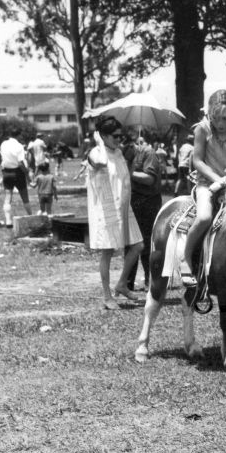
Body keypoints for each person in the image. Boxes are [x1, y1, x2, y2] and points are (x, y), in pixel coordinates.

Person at [182, 89, 226, 286]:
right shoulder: (202, 129)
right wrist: (218, 179)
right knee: (204, 217)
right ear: (210, 114)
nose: (221, 124)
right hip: (207, 185)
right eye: (217, 118)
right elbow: (197, 161)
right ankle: (184, 257)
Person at [85, 117, 145, 309]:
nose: (119, 139)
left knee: (138, 245)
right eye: (115, 136)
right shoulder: (95, 153)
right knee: (108, 252)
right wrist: (100, 144)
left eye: (121, 136)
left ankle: (122, 283)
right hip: (106, 210)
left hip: (124, 207)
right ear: (103, 136)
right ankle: (106, 296)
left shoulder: (118, 152)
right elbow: (101, 162)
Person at [123, 134, 163, 292]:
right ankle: (127, 284)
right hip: (131, 200)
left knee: (146, 243)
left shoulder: (148, 153)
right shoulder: (122, 156)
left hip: (148, 202)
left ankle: (149, 281)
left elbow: (149, 179)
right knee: (130, 243)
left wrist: (129, 173)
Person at [0, 132, 33, 225]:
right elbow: (20, 163)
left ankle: (8, 221)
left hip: (6, 172)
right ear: (18, 136)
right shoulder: (19, 146)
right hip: (17, 172)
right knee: (24, 196)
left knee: (8, 196)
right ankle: (30, 216)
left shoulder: (3, 144)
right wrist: (26, 172)